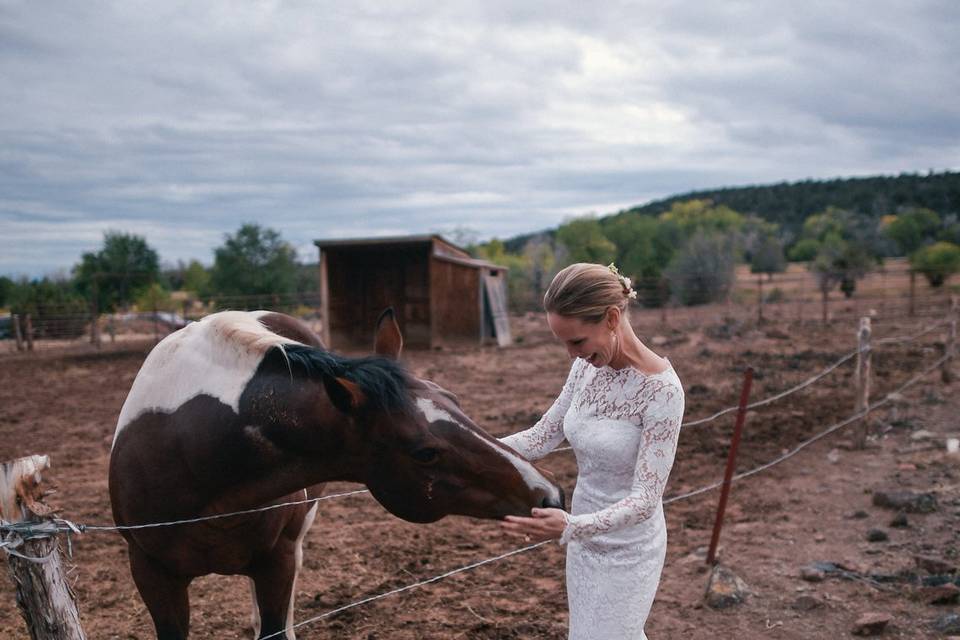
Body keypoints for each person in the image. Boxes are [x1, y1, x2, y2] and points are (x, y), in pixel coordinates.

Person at [499, 262, 684, 640]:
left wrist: (570, 526)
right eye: (564, 343)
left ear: (613, 318)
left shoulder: (663, 392)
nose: (571, 354)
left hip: (629, 549)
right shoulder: (586, 369)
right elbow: (541, 437)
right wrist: (467, 450)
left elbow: (646, 500)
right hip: (583, 545)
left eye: (577, 342)